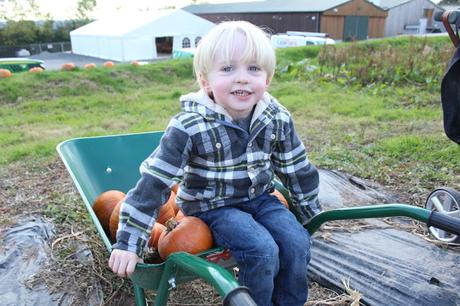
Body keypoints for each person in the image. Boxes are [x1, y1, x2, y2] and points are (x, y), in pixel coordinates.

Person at [109, 20, 322, 306]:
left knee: (296, 242)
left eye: (254, 68)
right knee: (262, 250)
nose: (242, 78)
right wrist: (129, 241)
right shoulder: (189, 126)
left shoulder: (276, 117)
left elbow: (295, 166)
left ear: (267, 79)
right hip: (212, 206)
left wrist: (309, 208)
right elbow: (155, 182)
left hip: (261, 198)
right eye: (228, 68)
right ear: (205, 81)